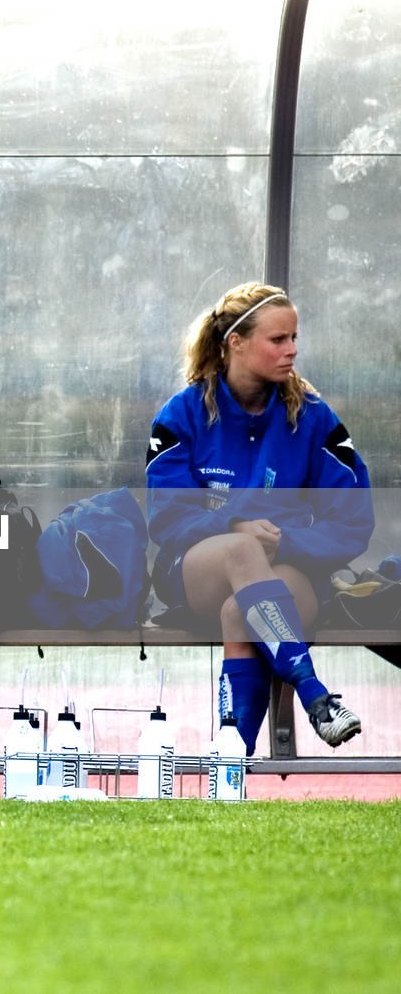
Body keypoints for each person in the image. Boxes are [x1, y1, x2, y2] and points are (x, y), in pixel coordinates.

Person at [147, 282, 371, 753]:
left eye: (294, 338)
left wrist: (285, 541)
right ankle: (316, 695)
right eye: (278, 339)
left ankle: (231, 762)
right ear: (236, 342)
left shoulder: (313, 417)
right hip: (195, 574)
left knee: (241, 612)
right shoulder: (181, 414)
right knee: (242, 549)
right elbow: (167, 521)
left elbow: (352, 522)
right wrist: (232, 525)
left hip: (287, 569)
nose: (291, 350)